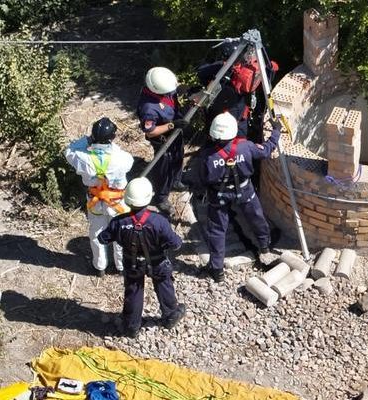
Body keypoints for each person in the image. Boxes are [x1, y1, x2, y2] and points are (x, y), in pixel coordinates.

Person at [97, 178, 186, 338]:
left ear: (127, 199)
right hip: (157, 261)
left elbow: (103, 239)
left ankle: (131, 326)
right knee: (164, 284)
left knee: (133, 290)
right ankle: (171, 315)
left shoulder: (119, 222)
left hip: (132, 263)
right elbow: (175, 244)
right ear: (149, 197)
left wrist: (120, 235)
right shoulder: (160, 221)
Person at [198, 112, 280, 282]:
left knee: (217, 230)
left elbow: (204, 178)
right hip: (244, 190)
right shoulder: (246, 147)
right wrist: (276, 133)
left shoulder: (207, 156)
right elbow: (265, 151)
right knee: (256, 217)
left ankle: (217, 269)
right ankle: (264, 246)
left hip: (219, 195)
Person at [64, 117, 134, 277]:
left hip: (95, 202)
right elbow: (128, 160)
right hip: (117, 203)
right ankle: (121, 266)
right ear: (112, 139)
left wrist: (87, 140)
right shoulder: (121, 159)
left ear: (93, 136)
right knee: (120, 234)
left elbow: (69, 150)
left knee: (96, 234)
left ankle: (100, 266)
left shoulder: (82, 158)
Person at [196, 42, 278, 140]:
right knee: (240, 136)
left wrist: (221, 64)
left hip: (222, 109)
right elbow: (270, 73)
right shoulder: (248, 68)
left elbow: (201, 72)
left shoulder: (220, 67)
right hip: (241, 110)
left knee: (216, 134)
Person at [137, 66, 189, 214]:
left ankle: (176, 181)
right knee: (164, 167)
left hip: (175, 131)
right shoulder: (149, 108)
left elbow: (176, 88)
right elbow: (151, 131)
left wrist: (188, 90)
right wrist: (171, 125)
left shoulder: (163, 83)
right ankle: (161, 197)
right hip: (162, 139)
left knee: (178, 155)